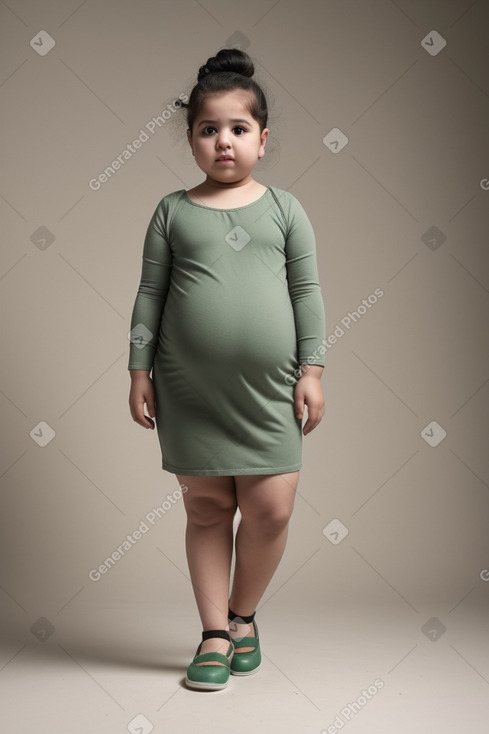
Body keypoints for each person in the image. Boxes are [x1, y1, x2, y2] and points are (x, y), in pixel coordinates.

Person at [128, 48, 326, 691]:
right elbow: (149, 296)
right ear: (191, 138)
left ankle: (244, 617)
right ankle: (214, 633)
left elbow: (306, 293)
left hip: (269, 391)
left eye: (238, 129)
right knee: (208, 508)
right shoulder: (172, 211)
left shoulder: (286, 211)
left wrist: (313, 368)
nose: (223, 142)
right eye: (208, 129)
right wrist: (138, 370)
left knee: (270, 508)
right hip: (190, 389)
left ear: (262, 140)